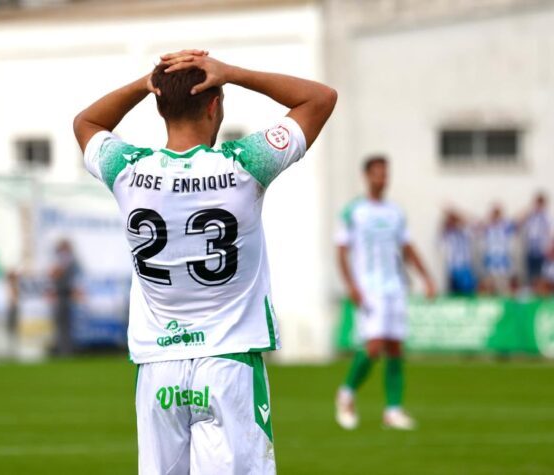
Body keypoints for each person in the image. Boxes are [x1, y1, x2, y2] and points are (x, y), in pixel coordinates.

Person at [73, 49, 336, 474]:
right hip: (229, 363)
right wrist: (233, 72)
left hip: (158, 369)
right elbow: (320, 99)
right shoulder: (243, 166)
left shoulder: (126, 170)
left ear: (159, 104)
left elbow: (86, 123)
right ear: (214, 106)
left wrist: (149, 83)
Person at [335, 155, 435, 431]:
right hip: (369, 289)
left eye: (385, 173)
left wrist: (426, 278)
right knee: (374, 345)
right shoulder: (354, 211)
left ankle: (393, 411)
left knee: (395, 347)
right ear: (367, 176)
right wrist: (351, 285)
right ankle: (346, 394)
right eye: (377, 173)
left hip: (395, 287)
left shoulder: (395, 212)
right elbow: (342, 251)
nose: (382, 178)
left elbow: (407, 247)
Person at [49, 239, 80, 356]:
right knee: (62, 326)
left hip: (64, 295)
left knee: (65, 325)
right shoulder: (66, 260)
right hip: (62, 295)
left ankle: (65, 350)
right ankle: (64, 350)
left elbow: (57, 273)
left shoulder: (67, 260)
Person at [479, 204, 517, 295]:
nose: (495, 216)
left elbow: (518, 221)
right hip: (491, 260)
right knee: (489, 285)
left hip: (503, 260)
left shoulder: (505, 226)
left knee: (504, 286)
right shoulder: (487, 227)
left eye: (497, 214)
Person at [440, 209, 477, 296]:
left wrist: (459, 216)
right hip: (452, 270)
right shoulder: (446, 234)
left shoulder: (465, 231)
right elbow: (440, 245)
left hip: (465, 268)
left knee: (467, 295)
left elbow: (476, 226)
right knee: (453, 297)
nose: (451, 222)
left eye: (453, 220)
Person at [520, 192, 551, 286]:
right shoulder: (530, 216)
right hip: (530, 249)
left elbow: (550, 232)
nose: (539, 205)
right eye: (537, 203)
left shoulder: (547, 217)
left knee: (541, 274)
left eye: (540, 203)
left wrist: (548, 247)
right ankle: (530, 290)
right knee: (530, 273)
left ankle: (540, 291)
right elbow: (519, 221)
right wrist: (529, 209)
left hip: (542, 251)